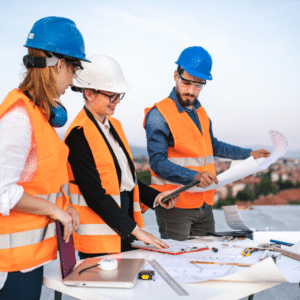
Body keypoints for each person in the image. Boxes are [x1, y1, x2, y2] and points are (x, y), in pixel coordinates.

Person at [0, 17, 89, 300]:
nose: (72, 79)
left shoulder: (38, 115)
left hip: (30, 261)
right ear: (59, 64)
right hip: (11, 269)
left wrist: (64, 207)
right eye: (74, 68)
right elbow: (2, 191)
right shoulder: (19, 117)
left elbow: (38, 183)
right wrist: (55, 212)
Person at [144, 46, 270, 241]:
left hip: (204, 204)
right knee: (178, 263)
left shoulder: (201, 113)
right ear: (175, 75)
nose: (191, 91)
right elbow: (157, 163)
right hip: (175, 206)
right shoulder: (158, 115)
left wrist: (249, 154)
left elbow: (214, 146)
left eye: (198, 86)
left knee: (207, 257)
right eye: (186, 83)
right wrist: (194, 176)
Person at [65, 54, 178, 260]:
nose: (116, 101)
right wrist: (137, 231)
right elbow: (94, 195)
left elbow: (126, 179)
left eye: (119, 95)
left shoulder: (114, 126)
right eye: (111, 95)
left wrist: (155, 197)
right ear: (89, 93)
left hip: (123, 228)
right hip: (99, 237)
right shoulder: (78, 135)